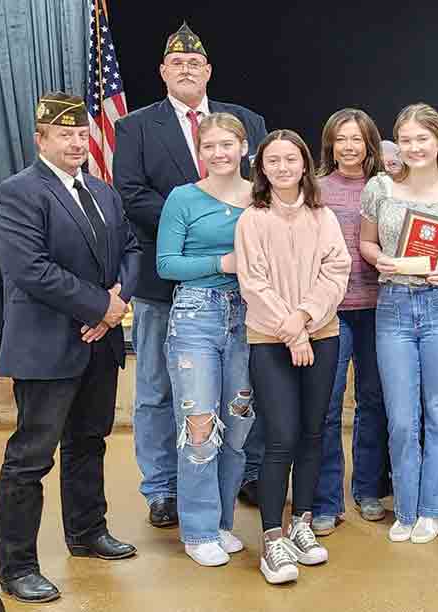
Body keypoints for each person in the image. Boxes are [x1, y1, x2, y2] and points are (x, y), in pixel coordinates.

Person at [113, 22, 267, 525]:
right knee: (159, 390)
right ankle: (162, 488)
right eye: (176, 63)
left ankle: (239, 475)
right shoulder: (136, 126)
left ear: (208, 71)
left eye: (194, 63)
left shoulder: (246, 120)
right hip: (166, 284)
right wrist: (196, 225)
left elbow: (268, 191)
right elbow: (131, 194)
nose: (186, 69)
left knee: (241, 390)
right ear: (162, 71)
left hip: (246, 290)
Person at [0, 92, 141, 603]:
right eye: (65, 134)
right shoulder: (19, 192)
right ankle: (17, 565)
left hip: (99, 343)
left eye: (83, 134)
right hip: (47, 346)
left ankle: (86, 532)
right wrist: (100, 307)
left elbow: (132, 249)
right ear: (41, 139)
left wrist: (117, 301)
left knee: (89, 443)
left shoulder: (103, 192)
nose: (78, 142)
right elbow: (29, 269)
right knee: (30, 458)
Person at [360, 103, 438, 543]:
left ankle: (435, 507)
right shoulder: (380, 189)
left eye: (422, 139)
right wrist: (382, 261)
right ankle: (406, 508)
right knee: (401, 417)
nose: (414, 147)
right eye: (406, 139)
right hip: (393, 305)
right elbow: (366, 243)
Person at [236, 129, 350, 583]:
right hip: (270, 340)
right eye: (273, 161)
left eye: (291, 160)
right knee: (280, 436)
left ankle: (301, 524)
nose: (283, 168)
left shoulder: (323, 217)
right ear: (262, 168)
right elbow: (253, 283)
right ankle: (271, 539)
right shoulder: (252, 219)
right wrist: (291, 331)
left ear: (305, 164)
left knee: (313, 431)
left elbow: (336, 270)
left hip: (322, 335)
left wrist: (303, 317)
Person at [156, 112, 257, 567]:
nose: (219, 153)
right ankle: (196, 531)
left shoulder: (261, 198)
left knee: (237, 428)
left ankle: (221, 522)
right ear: (201, 152)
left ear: (243, 148)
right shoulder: (182, 198)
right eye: (210, 146)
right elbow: (165, 264)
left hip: (250, 319)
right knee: (200, 428)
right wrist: (221, 263)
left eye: (227, 145)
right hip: (197, 316)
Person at [311, 109, 390, 535]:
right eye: (341, 138)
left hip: (380, 309)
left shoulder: (387, 188)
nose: (349, 146)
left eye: (357, 139)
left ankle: (369, 489)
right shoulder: (316, 190)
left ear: (370, 144)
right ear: (330, 144)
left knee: (373, 401)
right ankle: (326, 500)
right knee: (326, 406)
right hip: (330, 313)